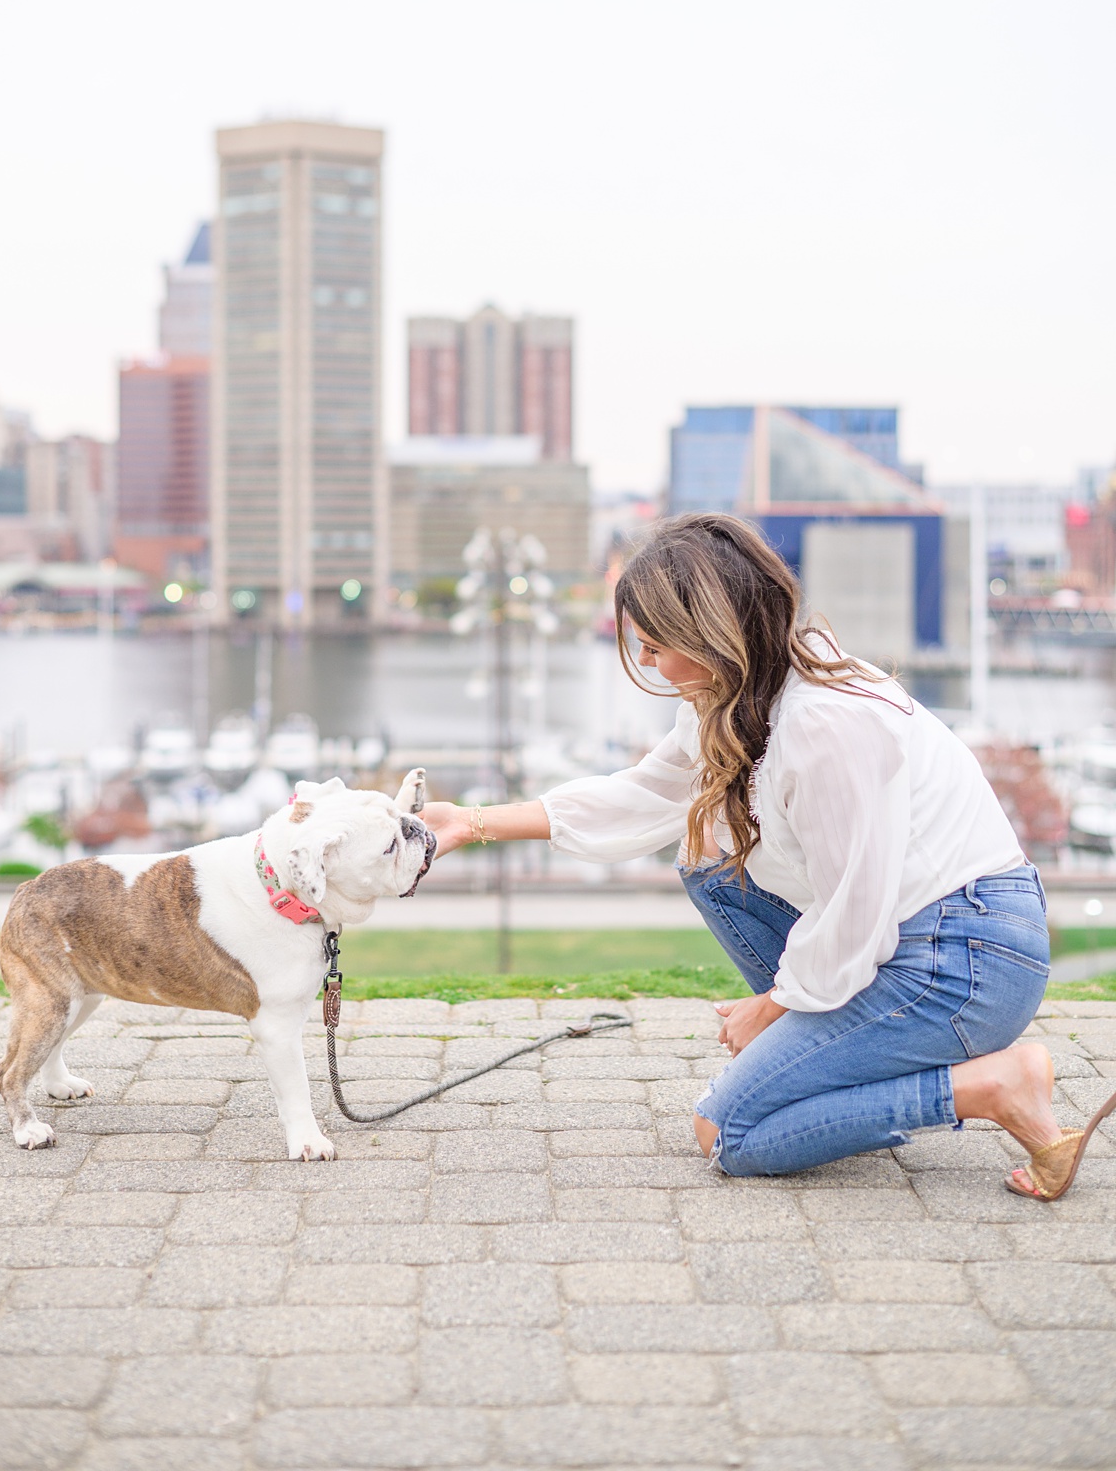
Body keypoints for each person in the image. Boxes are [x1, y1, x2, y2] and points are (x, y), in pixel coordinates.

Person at [419, 512, 1114, 1201]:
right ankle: (834, 1064)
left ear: (708, 632)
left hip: (966, 961)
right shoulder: (741, 696)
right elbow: (640, 795)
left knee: (731, 1135)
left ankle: (990, 1086)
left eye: (655, 644)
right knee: (707, 863)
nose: (651, 663)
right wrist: (467, 823)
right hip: (920, 941)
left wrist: (777, 1006)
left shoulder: (824, 723)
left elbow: (855, 910)